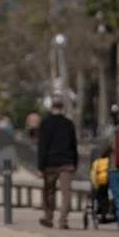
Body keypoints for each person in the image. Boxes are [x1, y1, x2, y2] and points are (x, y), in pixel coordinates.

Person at [37, 97, 78, 229]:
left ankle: (48, 217)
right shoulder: (69, 124)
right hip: (67, 163)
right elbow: (74, 145)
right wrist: (75, 163)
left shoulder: (45, 123)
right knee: (66, 193)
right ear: (62, 109)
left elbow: (42, 146)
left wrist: (40, 166)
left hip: (50, 163)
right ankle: (63, 221)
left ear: (51, 108)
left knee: (49, 191)